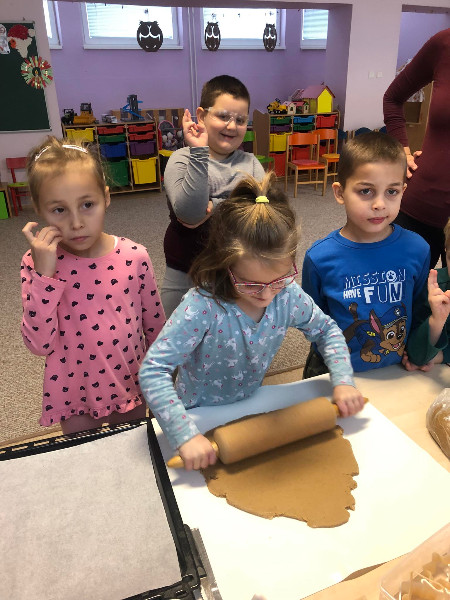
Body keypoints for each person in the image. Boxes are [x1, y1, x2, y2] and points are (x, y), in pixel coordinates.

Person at [140, 172, 365, 471]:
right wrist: (184, 434)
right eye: (250, 284)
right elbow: (153, 369)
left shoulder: (287, 295)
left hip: (250, 403)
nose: (266, 294)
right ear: (225, 264)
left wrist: (344, 380)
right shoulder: (202, 306)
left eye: (279, 279)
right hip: (197, 412)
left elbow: (326, 330)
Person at [21, 137, 165, 434]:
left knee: (135, 450)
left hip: (129, 385)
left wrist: (161, 381)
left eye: (87, 205)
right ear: (38, 208)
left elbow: (155, 328)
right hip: (73, 394)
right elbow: (38, 344)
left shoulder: (134, 256)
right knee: (86, 457)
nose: (76, 223)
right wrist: (45, 276)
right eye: (59, 210)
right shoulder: (36, 263)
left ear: (106, 197)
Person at [302, 132, 430, 378]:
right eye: (366, 191)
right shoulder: (319, 258)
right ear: (340, 193)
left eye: (391, 192)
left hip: (396, 370)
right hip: (333, 372)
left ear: (403, 191)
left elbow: (420, 310)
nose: (380, 204)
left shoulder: (417, 248)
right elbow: (312, 321)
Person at [161, 74, 265, 316]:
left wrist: (217, 205)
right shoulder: (181, 159)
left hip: (235, 273)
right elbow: (191, 213)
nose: (232, 126)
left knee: (230, 335)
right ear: (201, 116)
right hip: (185, 272)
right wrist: (199, 153)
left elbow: (264, 212)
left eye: (240, 120)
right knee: (173, 334)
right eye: (223, 116)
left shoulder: (251, 164)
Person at [383, 28, 450, 269]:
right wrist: (402, 152)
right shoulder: (443, 44)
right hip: (421, 209)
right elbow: (392, 98)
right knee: (403, 291)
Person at [403, 217, 450, 371]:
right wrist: (437, 320)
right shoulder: (435, 291)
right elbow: (417, 357)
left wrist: (441, 355)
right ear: (446, 251)